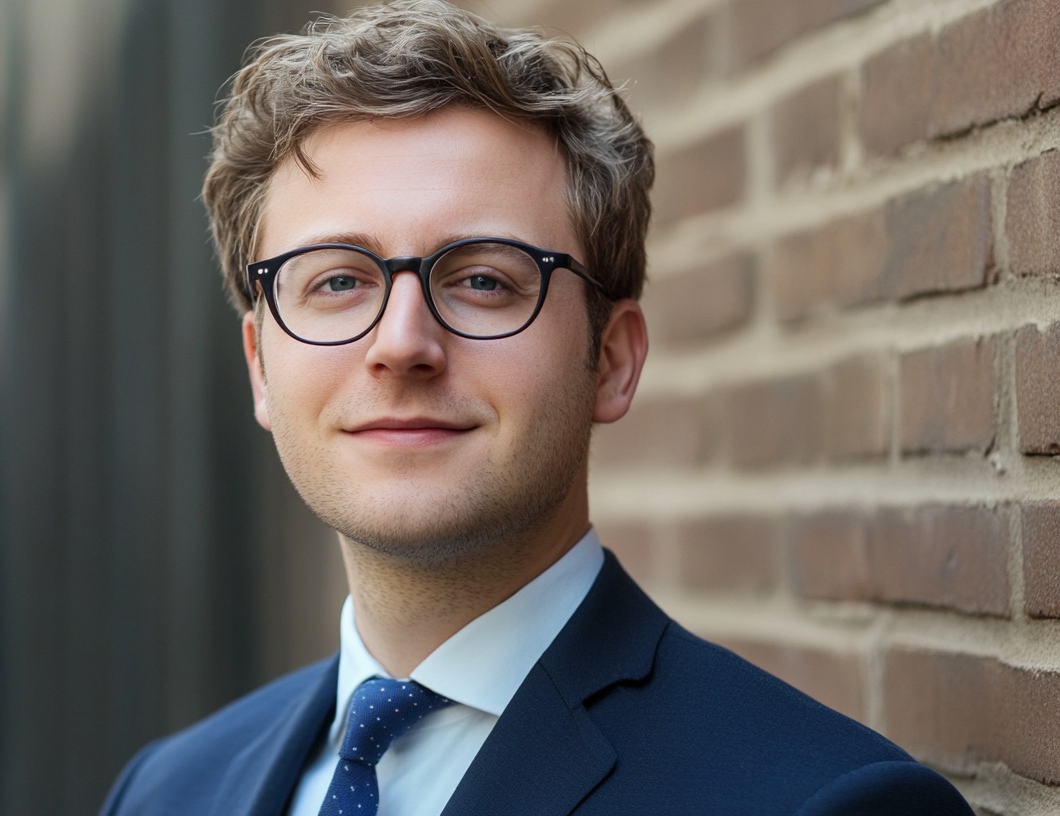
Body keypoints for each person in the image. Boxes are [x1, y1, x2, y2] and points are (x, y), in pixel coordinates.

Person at [101, 2, 975, 814]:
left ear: (612, 361)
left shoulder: (824, 802)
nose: (401, 343)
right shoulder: (165, 790)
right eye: (337, 280)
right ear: (261, 366)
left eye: (483, 278)